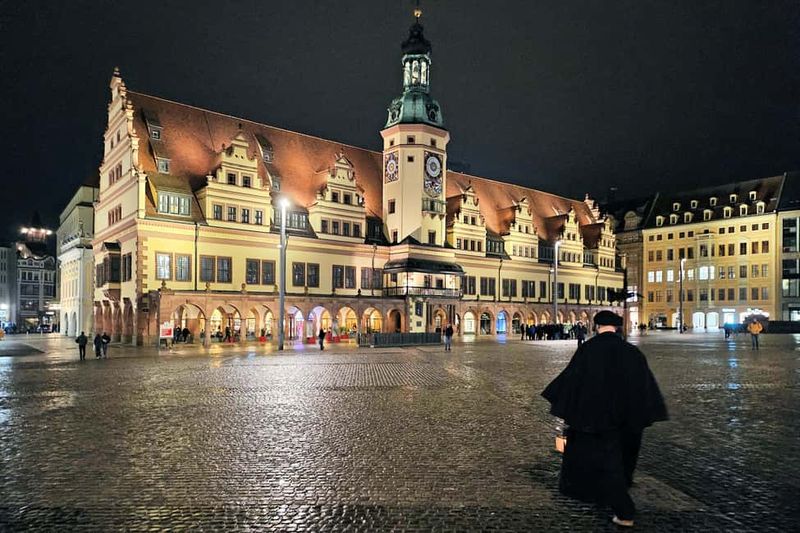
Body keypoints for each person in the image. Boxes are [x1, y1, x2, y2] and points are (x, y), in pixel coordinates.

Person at [542, 310, 668, 528]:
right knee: (623, 457)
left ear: (597, 326)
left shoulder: (588, 349)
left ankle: (624, 510)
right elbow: (644, 385)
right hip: (628, 416)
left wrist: (564, 404)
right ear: (616, 327)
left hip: (596, 416)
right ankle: (618, 494)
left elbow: (572, 380)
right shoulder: (632, 351)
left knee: (605, 460)